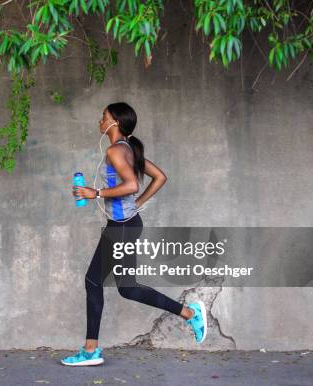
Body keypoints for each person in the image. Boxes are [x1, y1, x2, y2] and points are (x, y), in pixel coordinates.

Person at [61, 102, 206, 367]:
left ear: (114, 122)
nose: (100, 121)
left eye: (103, 117)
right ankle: (189, 313)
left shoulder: (116, 151)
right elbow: (160, 177)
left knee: (94, 282)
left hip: (123, 227)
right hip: (126, 224)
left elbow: (132, 184)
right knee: (127, 289)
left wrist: (96, 193)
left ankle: (91, 350)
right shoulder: (128, 148)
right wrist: (136, 203)